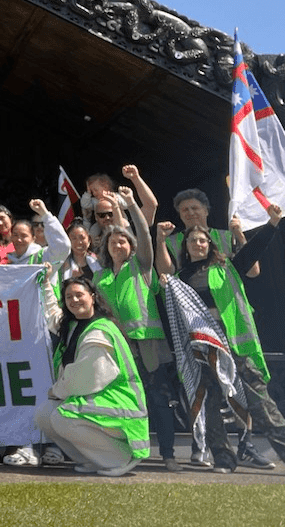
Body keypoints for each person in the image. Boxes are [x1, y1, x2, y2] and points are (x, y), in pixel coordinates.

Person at [156, 202, 285, 479]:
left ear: (210, 245)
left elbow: (253, 252)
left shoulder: (228, 268)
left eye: (202, 240)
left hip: (234, 348)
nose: (197, 243)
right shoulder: (181, 278)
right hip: (202, 350)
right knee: (210, 409)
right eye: (192, 241)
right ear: (185, 248)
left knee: (262, 406)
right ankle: (223, 457)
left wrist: (272, 224)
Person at [92, 176, 180, 471]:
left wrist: (129, 204)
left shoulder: (140, 266)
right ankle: (130, 453)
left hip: (148, 342)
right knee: (124, 400)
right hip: (117, 346)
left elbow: (143, 232)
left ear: (130, 247)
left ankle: (168, 455)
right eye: (113, 241)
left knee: (158, 398)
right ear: (106, 248)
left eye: (122, 241)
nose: (118, 244)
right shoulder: (100, 277)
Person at [34, 275, 151, 476]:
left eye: (79, 295)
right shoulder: (72, 326)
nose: (74, 300)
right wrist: (46, 285)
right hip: (97, 396)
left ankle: (119, 458)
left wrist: (56, 390)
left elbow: (86, 377)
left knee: (63, 417)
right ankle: (92, 459)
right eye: (69, 297)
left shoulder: (100, 330)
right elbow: (53, 315)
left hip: (119, 402)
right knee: (44, 414)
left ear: (93, 297)